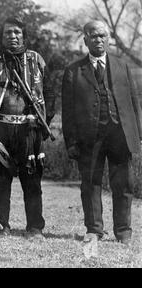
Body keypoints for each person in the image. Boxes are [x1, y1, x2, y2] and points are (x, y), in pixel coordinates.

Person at [62, 20, 142, 245]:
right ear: (85, 39)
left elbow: (133, 103)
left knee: (124, 184)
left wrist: (138, 135)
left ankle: (124, 231)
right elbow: (67, 112)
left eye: (103, 36)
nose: (99, 40)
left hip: (120, 135)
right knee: (90, 184)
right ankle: (94, 229)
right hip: (89, 137)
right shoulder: (74, 71)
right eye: (94, 36)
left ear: (109, 38)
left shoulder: (122, 66)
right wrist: (71, 142)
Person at [0, 16, 55, 239]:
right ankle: (2, 226)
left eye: (16, 32)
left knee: (32, 179)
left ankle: (34, 227)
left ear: (23, 35)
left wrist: (44, 122)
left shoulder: (36, 60)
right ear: (1, 37)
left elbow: (49, 93)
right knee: (1, 180)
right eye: (7, 33)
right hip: (0, 130)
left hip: (30, 130)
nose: (12, 36)